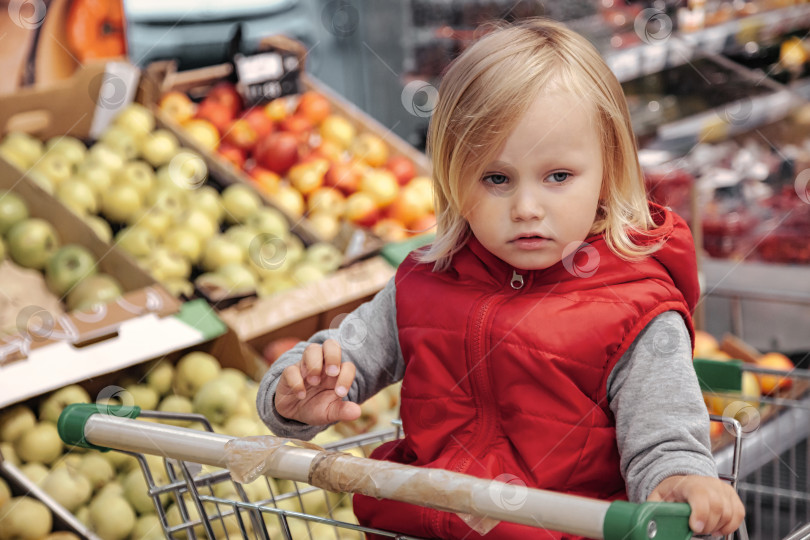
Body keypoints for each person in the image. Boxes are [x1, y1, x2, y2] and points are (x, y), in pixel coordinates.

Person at [257, 17, 745, 539]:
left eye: (558, 177)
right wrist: (294, 394)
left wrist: (680, 480)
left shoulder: (637, 312)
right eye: (496, 178)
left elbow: (664, 439)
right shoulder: (424, 283)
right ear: (452, 178)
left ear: (608, 170)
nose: (527, 208)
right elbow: (343, 353)